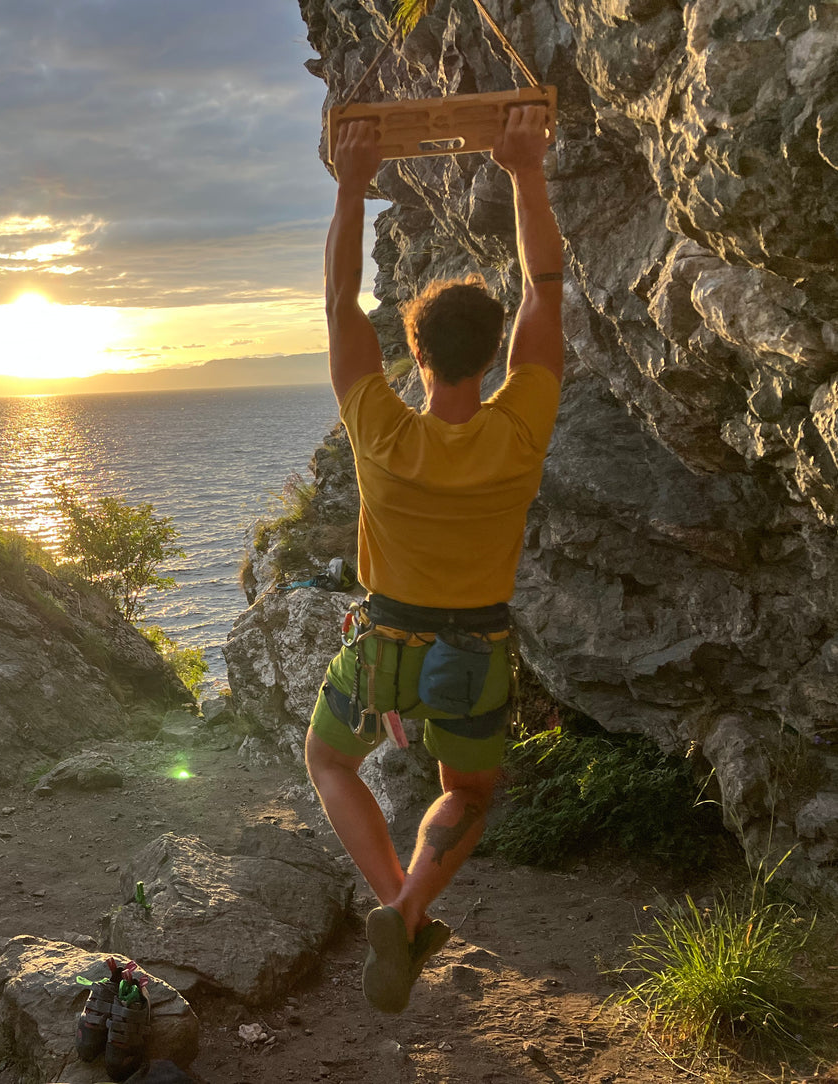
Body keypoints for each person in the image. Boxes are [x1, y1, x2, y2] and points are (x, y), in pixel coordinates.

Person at [305, 106, 564, 1014]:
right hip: (474, 649)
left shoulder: (378, 429)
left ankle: (396, 910)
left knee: (331, 761)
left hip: (381, 641)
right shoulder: (521, 424)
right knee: (467, 794)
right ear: (493, 357)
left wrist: (349, 183)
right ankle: (410, 907)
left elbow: (339, 305)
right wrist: (525, 169)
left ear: (411, 350)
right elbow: (545, 283)